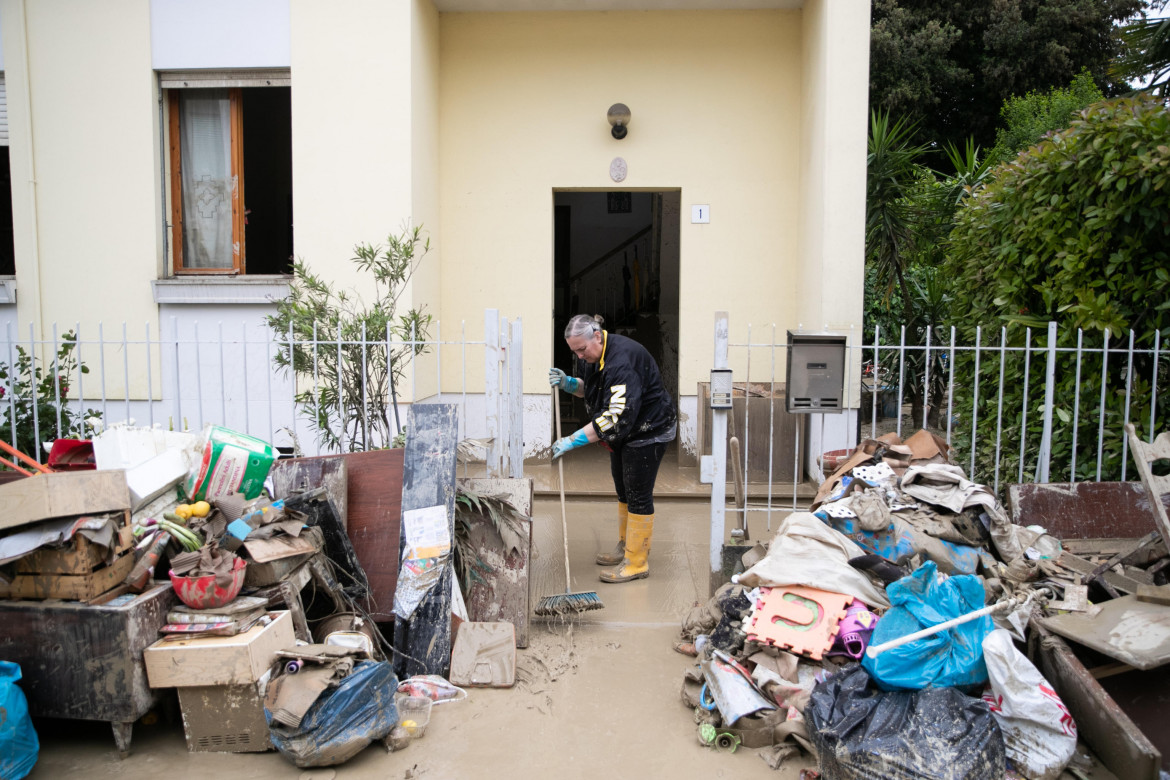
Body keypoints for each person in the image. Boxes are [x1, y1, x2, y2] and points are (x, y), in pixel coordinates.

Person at [548, 314, 676, 583]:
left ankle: (637, 561)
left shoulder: (622, 362)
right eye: (574, 352)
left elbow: (615, 416)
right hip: (626, 432)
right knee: (623, 488)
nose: (580, 357)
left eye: (581, 350)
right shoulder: (593, 355)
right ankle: (625, 546)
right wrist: (569, 384)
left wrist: (573, 440)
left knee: (638, 492)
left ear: (596, 335)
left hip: (649, 429)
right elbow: (593, 390)